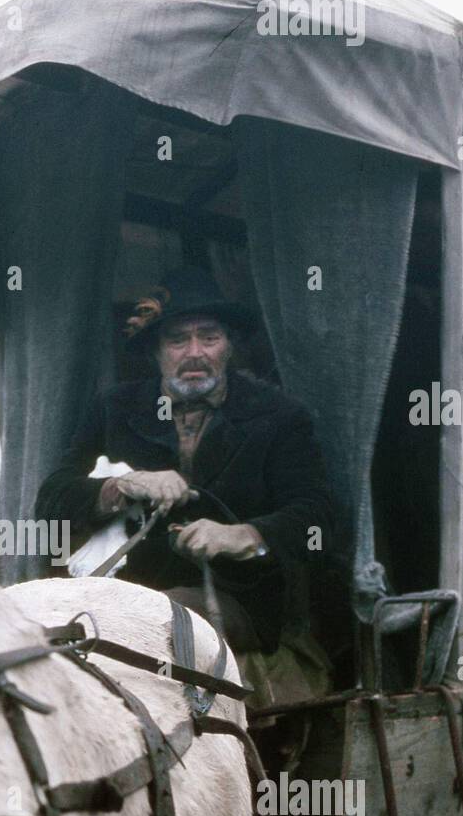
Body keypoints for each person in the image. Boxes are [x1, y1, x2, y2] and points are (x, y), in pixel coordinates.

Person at [35, 267, 333, 656]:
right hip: (117, 588)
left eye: (209, 337)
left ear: (229, 345)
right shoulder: (113, 408)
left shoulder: (278, 415)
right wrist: (121, 486)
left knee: (146, 621)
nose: (195, 353)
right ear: (155, 351)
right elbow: (51, 500)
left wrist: (242, 536)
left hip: (233, 598)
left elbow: (318, 517)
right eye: (177, 340)